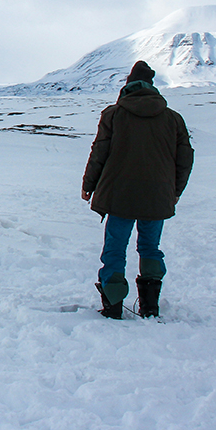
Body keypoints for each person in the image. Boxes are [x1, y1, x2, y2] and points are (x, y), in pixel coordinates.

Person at [81, 61, 193, 319]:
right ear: (151, 87)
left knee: (114, 249)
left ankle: (112, 305)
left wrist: (89, 185)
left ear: (127, 87)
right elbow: (185, 159)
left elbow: (99, 152)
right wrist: (175, 190)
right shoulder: (173, 118)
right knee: (151, 248)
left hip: (119, 195)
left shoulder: (113, 114)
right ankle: (150, 307)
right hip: (158, 196)